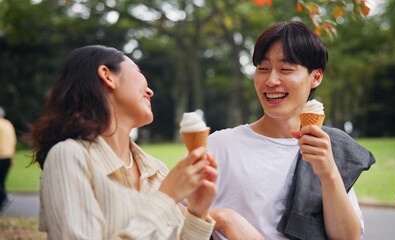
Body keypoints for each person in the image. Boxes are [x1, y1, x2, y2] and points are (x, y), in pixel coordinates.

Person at [207, 21, 375, 240]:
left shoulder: (328, 145)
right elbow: (169, 213)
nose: (271, 80)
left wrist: (329, 173)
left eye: (286, 69)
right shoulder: (221, 146)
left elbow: (347, 237)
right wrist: (225, 218)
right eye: (263, 69)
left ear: (316, 77)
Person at [30, 45, 218, 239]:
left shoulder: (157, 170)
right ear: (107, 75)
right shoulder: (69, 157)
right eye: (138, 71)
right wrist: (167, 198)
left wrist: (197, 212)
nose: (151, 91)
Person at [0, 106, 16, 211]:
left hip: (0, 155)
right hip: (8, 156)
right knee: (1, 180)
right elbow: (13, 140)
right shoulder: (8, 124)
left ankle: (5, 196)